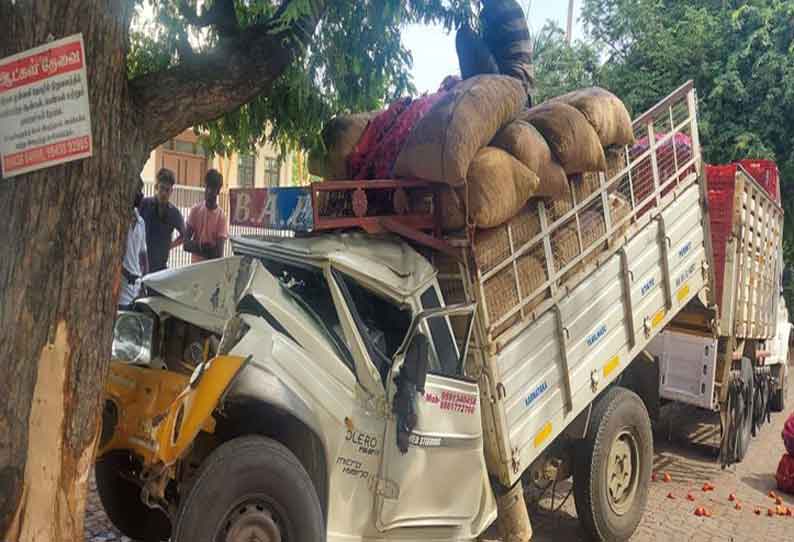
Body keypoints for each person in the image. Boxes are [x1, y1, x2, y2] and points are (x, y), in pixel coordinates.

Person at [139, 168, 185, 272]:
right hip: (141, 264)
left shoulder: (174, 213)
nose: (164, 193)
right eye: (161, 188)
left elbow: (184, 235)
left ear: (172, 191)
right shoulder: (144, 204)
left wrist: (170, 246)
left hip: (160, 267)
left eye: (167, 190)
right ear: (156, 187)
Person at [185, 169, 229, 263]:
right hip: (195, 268)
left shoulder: (221, 217)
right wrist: (205, 249)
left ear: (218, 191)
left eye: (213, 189)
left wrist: (197, 247)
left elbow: (219, 253)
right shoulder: (195, 210)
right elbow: (185, 244)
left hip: (211, 270)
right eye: (207, 187)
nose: (209, 191)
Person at [119, 178, 148, 310]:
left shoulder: (141, 222)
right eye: (137, 190)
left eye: (140, 190)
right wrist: (126, 274)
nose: (140, 194)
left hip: (136, 287)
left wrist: (145, 280)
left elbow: (143, 254)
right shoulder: (118, 220)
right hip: (121, 287)